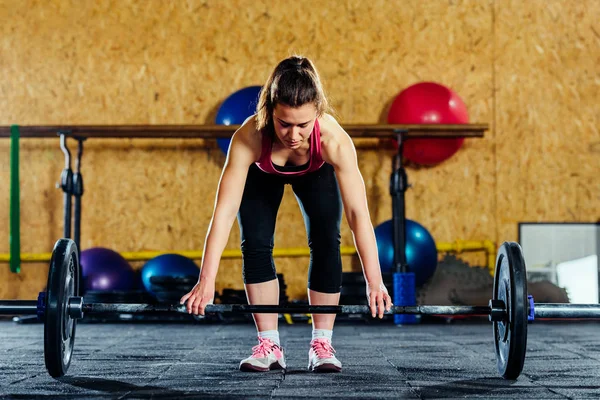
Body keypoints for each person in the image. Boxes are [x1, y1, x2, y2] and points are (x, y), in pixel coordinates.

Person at [180, 55, 392, 373]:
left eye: (303, 125)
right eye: (284, 123)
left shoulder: (334, 140)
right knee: (254, 241)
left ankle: (322, 344)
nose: (294, 135)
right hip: (262, 174)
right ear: (269, 112)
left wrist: (374, 282)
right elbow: (223, 212)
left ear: (317, 113)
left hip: (315, 172)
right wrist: (206, 280)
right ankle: (269, 344)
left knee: (325, 239)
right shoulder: (248, 138)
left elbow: (358, 215)